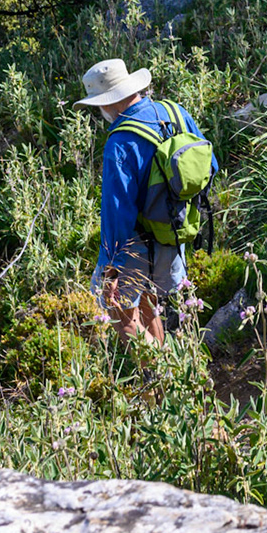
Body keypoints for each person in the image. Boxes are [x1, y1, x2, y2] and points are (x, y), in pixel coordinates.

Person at [75, 58, 215, 344]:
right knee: (150, 304)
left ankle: (157, 379)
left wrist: (111, 268)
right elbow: (210, 164)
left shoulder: (120, 142)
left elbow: (117, 213)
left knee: (119, 312)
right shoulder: (174, 111)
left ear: (108, 103)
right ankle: (169, 376)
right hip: (175, 232)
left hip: (136, 243)